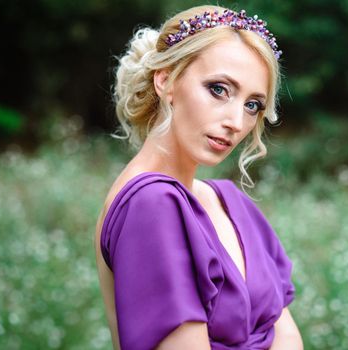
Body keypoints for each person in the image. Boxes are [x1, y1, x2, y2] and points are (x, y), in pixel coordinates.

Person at [94, 4, 303, 350]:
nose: (236, 122)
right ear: (166, 80)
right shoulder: (151, 203)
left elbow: (289, 337)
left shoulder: (231, 203)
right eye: (219, 89)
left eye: (253, 105)